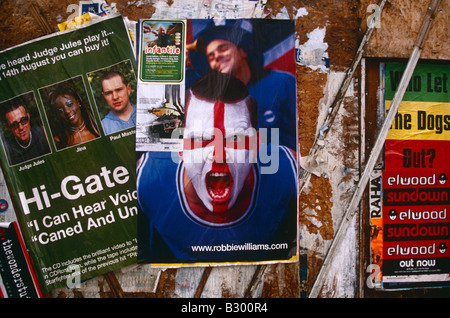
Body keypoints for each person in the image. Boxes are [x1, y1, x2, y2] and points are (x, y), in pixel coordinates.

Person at [137, 70, 297, 262]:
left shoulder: (290, 172)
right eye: (201, 139)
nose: (218, 155)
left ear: (256, 145)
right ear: (179, 146)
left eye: (235, 138)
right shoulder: (146, 180)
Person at [187, 19, 297, 151]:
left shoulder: (282, 82)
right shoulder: (209, 99)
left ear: (242, 51)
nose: (217, 57)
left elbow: (299, 137)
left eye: (223, 49)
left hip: (278, 166)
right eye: (211, 57)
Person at [47, 84, 100, 150]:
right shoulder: (58, 142)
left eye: (69, 104)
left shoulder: (98, 128)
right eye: (60, 110)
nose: (67, 111)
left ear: (78, 103)